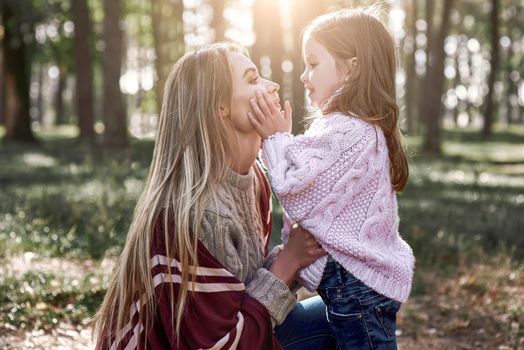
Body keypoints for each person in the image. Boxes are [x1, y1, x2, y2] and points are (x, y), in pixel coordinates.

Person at [91, 42, 334, 350]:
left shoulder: (253, 179)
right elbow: (218, 344)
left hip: (236, 335)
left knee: (352, 315)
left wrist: (301, 251)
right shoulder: (194, 214)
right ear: (220, 107)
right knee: (336, 326)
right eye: (252, 79)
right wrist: (288, 263)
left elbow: (240, 289)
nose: (272, 87)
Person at [247, 7, 416, 350]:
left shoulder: (348, 129)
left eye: (314, 63)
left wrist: (276, 138)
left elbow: (296, 189)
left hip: (356, 292)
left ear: (351, 67)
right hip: (358, 289)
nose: (304, 76)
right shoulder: (348, 125)